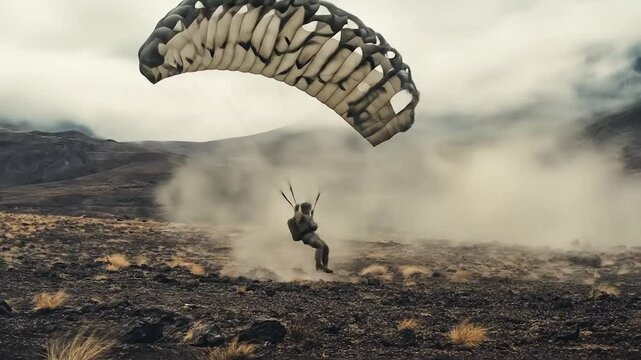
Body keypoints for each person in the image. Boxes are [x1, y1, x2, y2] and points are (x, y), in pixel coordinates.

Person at [287, 202, 333, 273]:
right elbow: (298, 217)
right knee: (319, 245)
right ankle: (318, 264)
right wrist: (296, 211)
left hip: (313, 235)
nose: (309, 210)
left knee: (326, 248)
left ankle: (325, 267)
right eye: (308, 209)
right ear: (305, 209)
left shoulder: (307, 217)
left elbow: (310, 224)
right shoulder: (300, 216)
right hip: (306, 236)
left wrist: (311, 216)